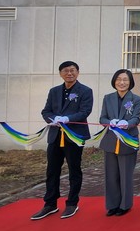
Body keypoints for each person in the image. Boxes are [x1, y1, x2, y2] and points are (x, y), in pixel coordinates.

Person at [31, 61, 93, 220]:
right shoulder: (54, 91)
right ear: (60, 73)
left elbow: (85, 111)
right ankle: (50, 204)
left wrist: (67, 119)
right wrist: (52, 119)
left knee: (74, 169)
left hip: (74, 136)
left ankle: (72, 203)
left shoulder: (85, 91)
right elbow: (46, 111)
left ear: (77, 72)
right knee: (52, 170)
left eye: (72, 70)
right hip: (55, 136)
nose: (69, 73)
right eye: (66, 71)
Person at [98, 69, 140, 217]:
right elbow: (102, 118)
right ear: (114, 81)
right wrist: (109, 122)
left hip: (128, 140)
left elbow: (136, 118)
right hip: (111, 140)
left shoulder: (136, 99)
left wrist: (127, 123)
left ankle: (125, 205)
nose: (121, 82)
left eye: (125, 79)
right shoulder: (108, 98)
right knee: (111, 175)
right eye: (118, 79)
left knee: (125, 175)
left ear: (130, 82)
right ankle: (112, 205)